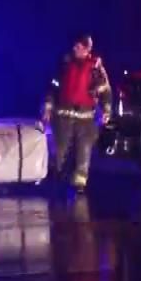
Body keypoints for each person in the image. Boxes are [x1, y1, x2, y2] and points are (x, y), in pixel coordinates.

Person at [43, 34, 112, 191]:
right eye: (74, 46)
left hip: (86, 119)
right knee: (59, 152)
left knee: (84, 152)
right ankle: (57, 178)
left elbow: (106, 91)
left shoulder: (95, 68)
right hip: (63, 116)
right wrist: (47, 108)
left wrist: (106, 111)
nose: (75, 49)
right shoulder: (64, 64)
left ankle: (80, 183)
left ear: (87, 49)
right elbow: (52, 88)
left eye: (79, 47)